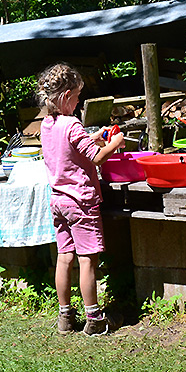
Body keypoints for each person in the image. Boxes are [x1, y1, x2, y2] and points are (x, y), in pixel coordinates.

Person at [37, 63, 125, 336]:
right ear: (65, 98)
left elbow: (70, 148)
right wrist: (115, 143)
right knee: (88, 260)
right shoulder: (72, 123)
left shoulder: (47, 124)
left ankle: (65, 317)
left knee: (64, 257)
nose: (78, 103)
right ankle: (95, 319)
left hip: (58, 201)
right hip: (80, 202)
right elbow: (96, 157)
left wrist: (94, 137)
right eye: (76, 97)